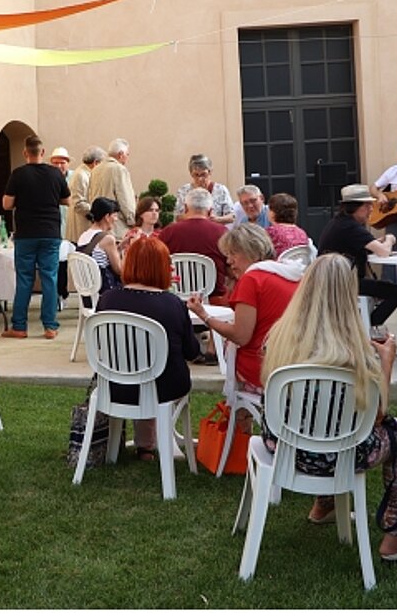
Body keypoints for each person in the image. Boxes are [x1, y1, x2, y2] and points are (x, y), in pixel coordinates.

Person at [257, 254, 397, 562]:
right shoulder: (357, 353)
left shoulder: (278, 336)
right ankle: (395, 539)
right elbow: (378, 414)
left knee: (320, 422)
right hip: (343, 455)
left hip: (285, 449)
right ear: (349, 293)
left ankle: (324, 506)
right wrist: (387, 362)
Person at [95, 236, 200, 461]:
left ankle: (145, 447)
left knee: (142, 368)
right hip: (163, 387)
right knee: (157, 370)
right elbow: (192, 351)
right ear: (161, 267)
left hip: (115, 383)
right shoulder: (172, 304)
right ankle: (153, 445)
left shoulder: (107, 299)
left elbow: (101, 344)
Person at [198, 224, 302, 390]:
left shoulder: (252, 279)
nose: (228, 261)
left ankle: (240, 414)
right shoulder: (291, 275)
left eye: (233, 253)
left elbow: (240, 336)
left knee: (232, 353)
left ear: (252, 252)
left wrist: (205, 316)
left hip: (264, 367)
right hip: (293, 365)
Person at [1, 136, 72, 339]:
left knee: (25, 279)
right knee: (50, 277)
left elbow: (6, 204)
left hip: (26, 234)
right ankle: (50, 326)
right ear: (43, 153)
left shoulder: (18, 174)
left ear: (25, 153)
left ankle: (20, 327)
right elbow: (67, 200)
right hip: (50, 233)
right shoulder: (55, 173)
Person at [316, 184, 397, 327]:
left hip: (333, 279)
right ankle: (369, 327)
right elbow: (384, 252)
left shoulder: (341, 223)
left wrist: (376, 242)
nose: (371, 210)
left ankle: (367, 326)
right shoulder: (350, 226)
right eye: (367, 206)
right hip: (342, 282)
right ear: (354, 207)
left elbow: (365, 245)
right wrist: (390, 238)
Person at [156, 187, 230, 302]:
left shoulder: (167, 232)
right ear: (210, 211)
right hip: (213, 298)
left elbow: (157, 263)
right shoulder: (222, 233)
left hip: (174, 297)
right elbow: (231, 267)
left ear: (185, 208)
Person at [76, 197, 125, 304]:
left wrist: (119, 247)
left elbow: (98, 255)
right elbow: (119, 270)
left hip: (88, 293)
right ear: (107, 217)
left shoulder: (84, 236)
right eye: (115, 215)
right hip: (106, 291)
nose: (116, 219)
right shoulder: (107, 239)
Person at [87, 138, 137, 235]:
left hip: (98, 225)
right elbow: (125, 199)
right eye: (127, 154)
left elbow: (90, 196)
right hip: (116, 225)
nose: (127, 158)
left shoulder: (96, 170)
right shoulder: (119, 169)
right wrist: (132, 220)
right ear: (120, 154)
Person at [173, 154, 234, 224]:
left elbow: (232, 217)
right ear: (191, 174)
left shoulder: (221, 190)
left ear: (210, 172)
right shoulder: (183, 191)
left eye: (203, 174)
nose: (200, 179)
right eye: (196, 175)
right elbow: (177, 217)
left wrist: (217, 219)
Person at [49, 147, 74, 307]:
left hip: (72, 226)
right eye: (56, 163)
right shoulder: (48, 178)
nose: (59, 166)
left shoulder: (74, 178)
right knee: (60, 263)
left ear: (68, 163)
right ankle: (60, 294)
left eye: (62, 162)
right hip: (55, 228)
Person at [67, 146, 105, 245]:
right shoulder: (80, 175)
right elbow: (78, 203)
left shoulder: (87, 174)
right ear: (96, 163)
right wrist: (98, 210)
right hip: (81, 228)